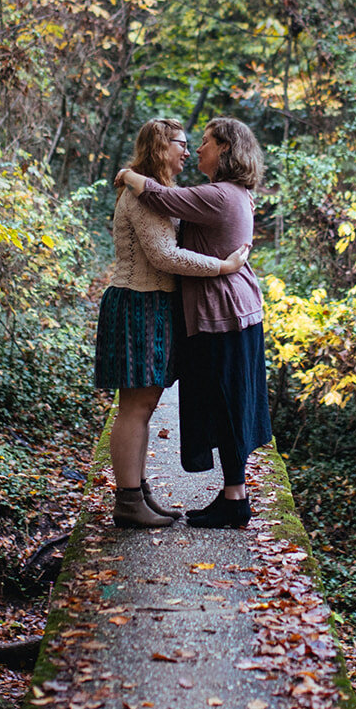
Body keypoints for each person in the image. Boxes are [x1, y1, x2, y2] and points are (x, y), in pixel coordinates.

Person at [116, 116, 271, 529]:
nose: (196, 149)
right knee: (228, 403)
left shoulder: (219, 195)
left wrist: (130, 175)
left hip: (224, 314)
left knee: (227, 404)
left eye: (203, 142)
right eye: (190, 142)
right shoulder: (233, 193)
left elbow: (164, 200)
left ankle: (234, 499)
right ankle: (232, 495)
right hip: (232, 312)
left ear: (225, 149)